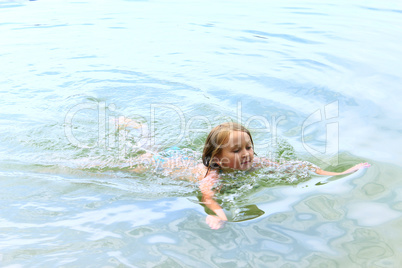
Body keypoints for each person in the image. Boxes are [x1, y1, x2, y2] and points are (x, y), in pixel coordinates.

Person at [198, 122, 370, 229]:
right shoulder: (212, 175)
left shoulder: (257, 163)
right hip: (177, 165)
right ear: (218, 160)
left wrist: (339, 174)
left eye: (248, 147)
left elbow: (299, 167)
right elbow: (208, 197)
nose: (246, 154)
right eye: (236, 150)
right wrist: (219, 215)